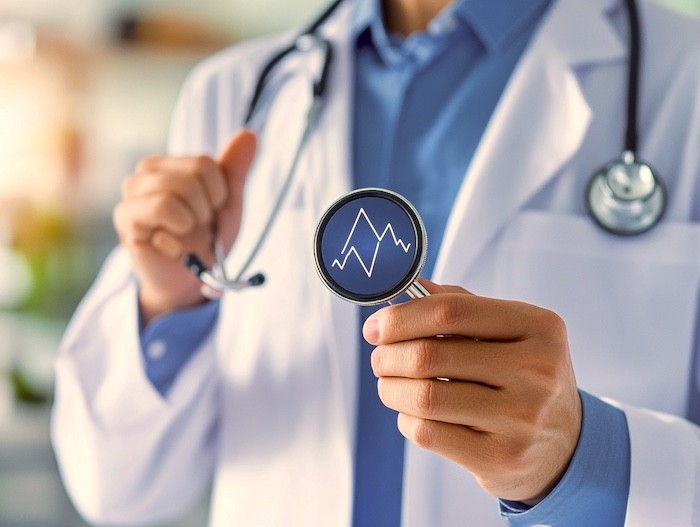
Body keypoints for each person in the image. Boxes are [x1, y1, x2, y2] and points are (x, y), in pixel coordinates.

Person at [51, 0, 700, 525]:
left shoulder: (684, 83)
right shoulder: (237, 93)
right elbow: (117, 489)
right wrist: (169, 303)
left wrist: (587, 462)